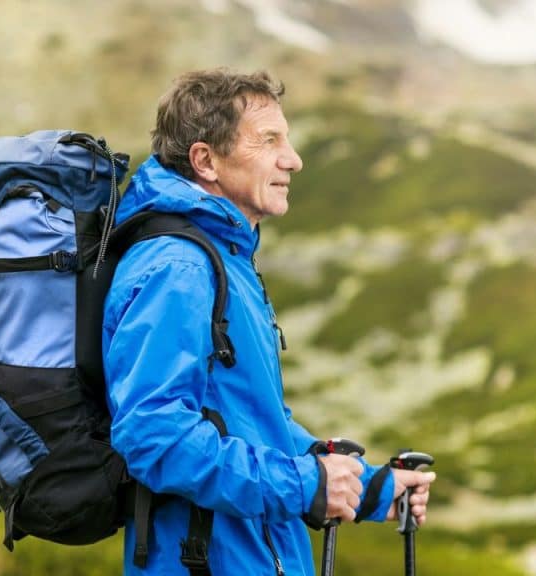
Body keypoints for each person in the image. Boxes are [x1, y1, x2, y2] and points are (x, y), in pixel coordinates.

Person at [102, 68, 436, 575]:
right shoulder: (178, 268)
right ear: (206, 161)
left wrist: (365, 488)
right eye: (269, 140)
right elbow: (153, 435)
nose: (293, 159)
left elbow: (250, 423)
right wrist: (304, 484)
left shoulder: (223, 259)